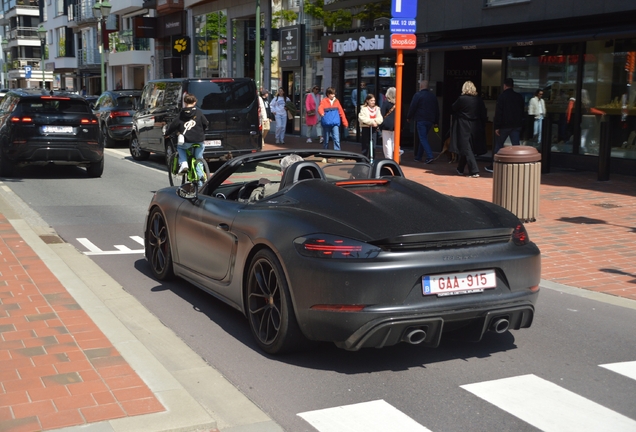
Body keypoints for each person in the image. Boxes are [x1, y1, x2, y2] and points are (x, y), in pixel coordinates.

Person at [165, 94, 209, 180]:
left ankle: (184, 163)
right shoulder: (199, 113)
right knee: (199, 159)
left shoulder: (181, 114)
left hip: (186, 141)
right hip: (199, 140)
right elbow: (205, 123)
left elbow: (173, 125)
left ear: (184, 103)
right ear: (195, 102)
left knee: (180, 148)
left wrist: (167, 133)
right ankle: (200, 181)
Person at [485, 77, 525, 173]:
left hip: (504, 125)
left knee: (498, 145)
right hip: (516, 125)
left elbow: (499, 112)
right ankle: (518, 166)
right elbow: (522, 111)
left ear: (505, 86)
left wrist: (497, 126)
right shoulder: (519, 97)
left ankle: (494, 166)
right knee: (516, 145)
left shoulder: (502, 97)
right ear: (513, 85)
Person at [449, 81, 488, 178]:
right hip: (476, 126)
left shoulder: (462, 99)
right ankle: (460, 168)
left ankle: (474, 171)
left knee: (466, 147)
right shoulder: (479, 100)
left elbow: (453, 107)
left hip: (463, 125)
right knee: (467, 147)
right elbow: (483, 113)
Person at [407, 80, 439, 164]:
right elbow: (437, 109)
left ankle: (430, 156)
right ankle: (418, 156)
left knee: (423, 138)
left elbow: (412, 107)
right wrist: (436, 121)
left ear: (421, 86)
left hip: (421, 119)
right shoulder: (433, 96)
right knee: (423, 137)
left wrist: (409, 117)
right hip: (430, 120)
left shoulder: (418, 95)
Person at [318, 87, 348, 154]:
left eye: (334, 94)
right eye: (332, 94)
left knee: (336, 139)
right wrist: (321, 113)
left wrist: (345, 123)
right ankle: (325, 154)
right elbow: (320, 108)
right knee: (326, 140)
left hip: (335, 123)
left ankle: (338, 154)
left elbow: (341, 112)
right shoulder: (324, 101)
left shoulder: (336, 101)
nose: (333, 95)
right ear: (328, 94)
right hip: (326, 123)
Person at [358, 94, 383, 159]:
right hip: (366, 128)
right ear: (367, 101)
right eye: (371, 100)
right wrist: (371, 122)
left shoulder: (377, 109)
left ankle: (372, 159)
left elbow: (380, 118)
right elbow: (362, 118)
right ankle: (365, 159)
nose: (373, 102)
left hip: (374, 129)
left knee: (373, 145)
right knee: (365, 145)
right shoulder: (363, 109)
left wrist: (375, 122)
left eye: (374, 100)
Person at [380, 87, 398, 159]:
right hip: (396, 125)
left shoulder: (386, 103)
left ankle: (389, 158)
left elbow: (382, 113)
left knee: (387, 142)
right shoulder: (398, 103)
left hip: (386, 125)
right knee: (394, 142)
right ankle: (397, 153)